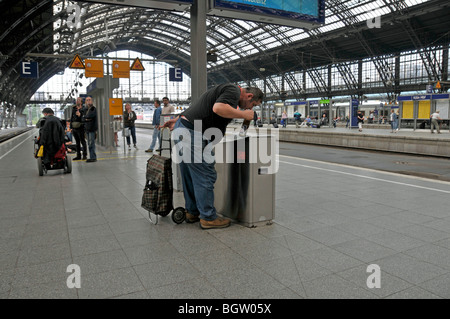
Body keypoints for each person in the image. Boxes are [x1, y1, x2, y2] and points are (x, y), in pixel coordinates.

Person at [163, 84, 263, 229]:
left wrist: (178, 119)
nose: (250, 109)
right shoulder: (234, 91)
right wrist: (244, 115)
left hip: (184, 127)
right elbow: (218, 108)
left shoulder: (225, 92)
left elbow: (201, 106)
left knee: (191, 174)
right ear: (249, 96)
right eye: (252, 105)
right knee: (205, 174)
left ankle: (193, 212)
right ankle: (208, 217)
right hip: (192, 133)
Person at [83, 96, 98, 163]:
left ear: (92, 101)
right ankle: (91, 156)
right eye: (87, 100)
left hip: (92, 128)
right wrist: (86, 118)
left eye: (89, 100)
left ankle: (93, 157)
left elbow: (90, 116)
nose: (88, 101)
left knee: (92, 143)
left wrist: (86, 118)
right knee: (89, 143)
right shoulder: (85, 110)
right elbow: (83, 118)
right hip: (87, 129)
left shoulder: (93, 109)